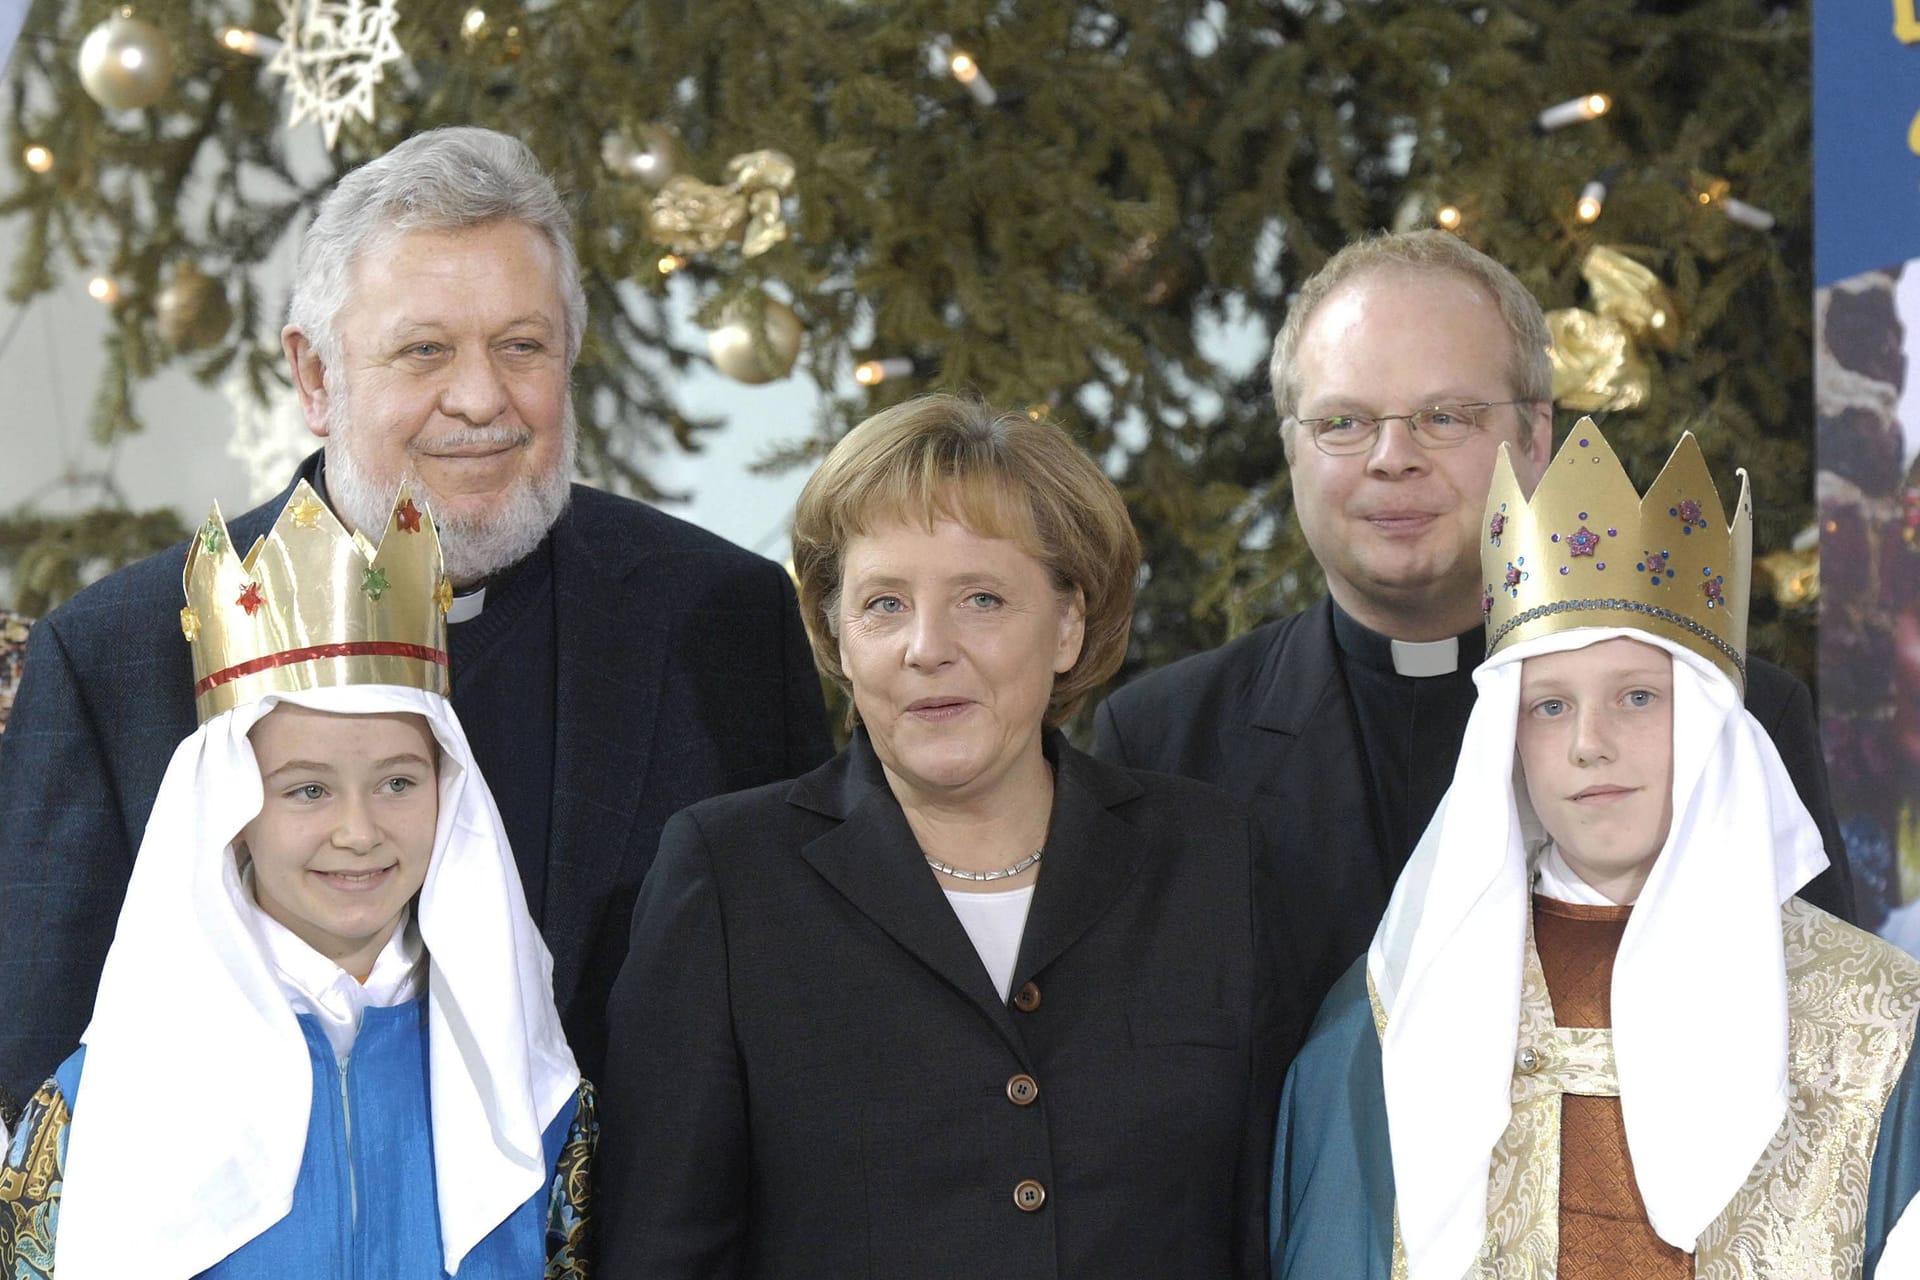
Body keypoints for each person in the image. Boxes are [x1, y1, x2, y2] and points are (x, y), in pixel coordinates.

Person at [0, 126, 831, 1099]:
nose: (481, 398)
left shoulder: (724, 618)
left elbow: (797, 1023)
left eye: (522, 346)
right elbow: (43, 1084)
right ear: (316, 376)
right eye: (424, 350)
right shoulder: (116, 656)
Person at [597, 396, 1298, 1279]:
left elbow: (1273, 1228)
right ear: (838, 638)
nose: (928, 647)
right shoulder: (729, 876)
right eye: (884, 604)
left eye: (981, 598)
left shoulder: (1211, 860)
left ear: (1069, 624)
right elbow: (662, 1253)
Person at [1092, 229, 1855, 1012]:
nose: (1392, 457)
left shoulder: (1730, 713)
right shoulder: (1163, 743)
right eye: (1344, 422)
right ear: (1292, 449)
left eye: (1445, 416)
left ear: (1535, 438)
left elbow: (1834, 1051)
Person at [1270, 423, 1920, 1279]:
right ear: (1505, 740)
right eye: (1548, 708)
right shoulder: (1393, 1012)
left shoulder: (1881, 1021)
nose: (1588, 744)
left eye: (1638, 696)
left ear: (1718, 728)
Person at [0, 483, 592, 1277]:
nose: (358, 831)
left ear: (452, 793)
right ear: (233, 808)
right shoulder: (92, 1110)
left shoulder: (531, 1087)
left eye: (398, 783)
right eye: (307, 790)